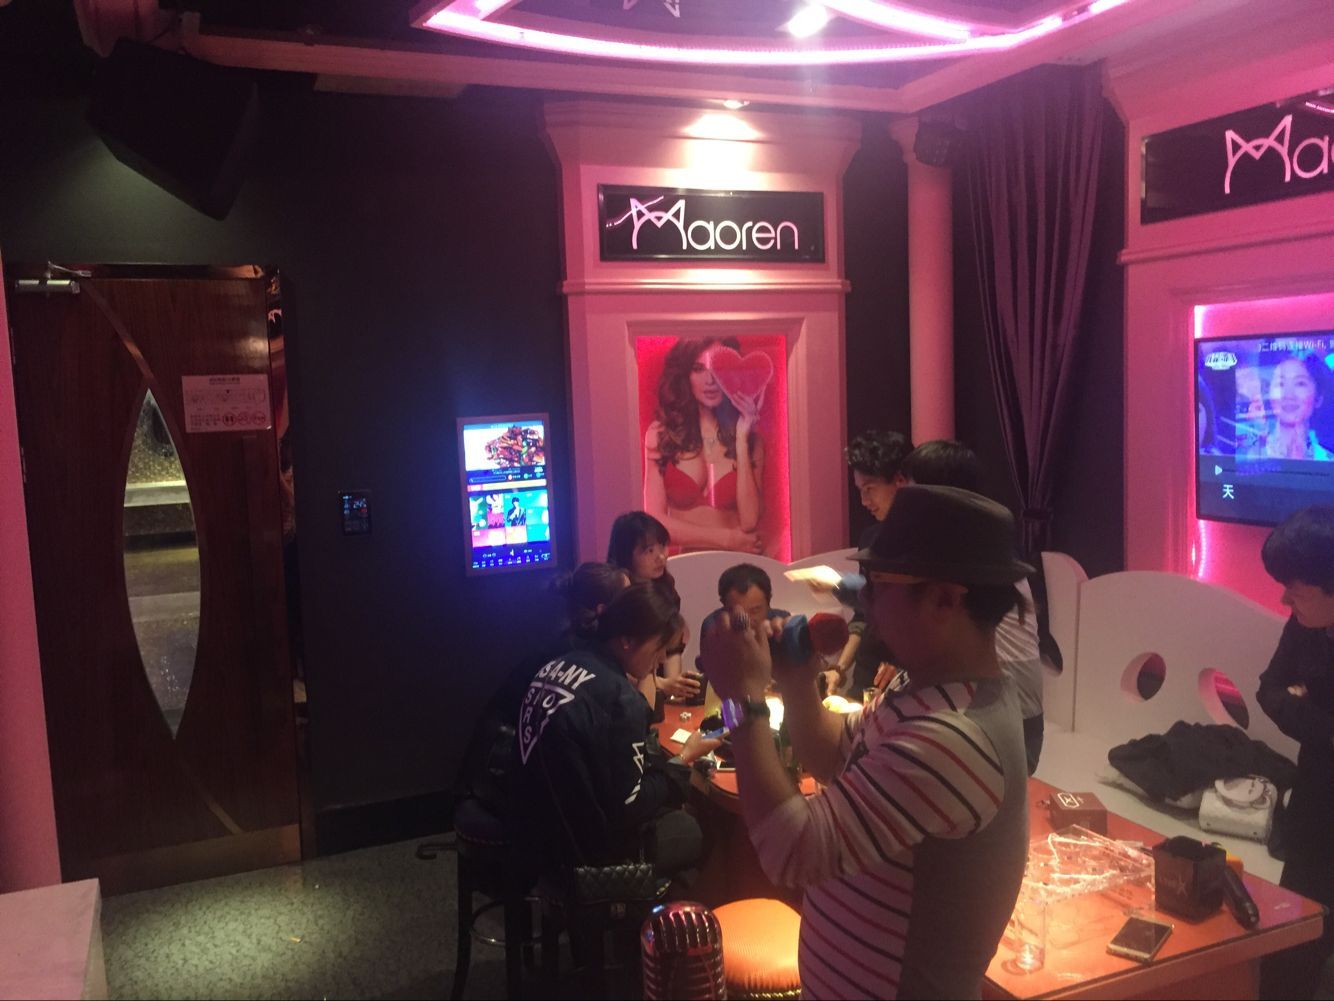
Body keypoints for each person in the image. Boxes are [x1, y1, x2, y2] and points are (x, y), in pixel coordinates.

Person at [700, 485, 1031, 1000]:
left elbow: (792, 851)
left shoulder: (954, 737)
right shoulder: (924, 690)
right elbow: (833, 754)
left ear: (945, 599)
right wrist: (796, 677)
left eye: (877, 585)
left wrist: (741, 701)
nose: (865, 603)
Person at [516, 582, 721, 881]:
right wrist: (683, 759)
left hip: (530, 828)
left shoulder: (559, 664)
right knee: (697, 829)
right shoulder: (621, 700)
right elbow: (629, 807)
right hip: (581, 855)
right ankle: (651, 909)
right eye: (660, 647)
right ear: (626, 640)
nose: (662, 659)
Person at [899, 440, 1047, 774]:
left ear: (939, 495)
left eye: (912, 489)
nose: (904, 500)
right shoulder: (983, 539)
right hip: (997, 714)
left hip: (1006, 722)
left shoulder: (968, 556)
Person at [1255, 506, 1334, 1000]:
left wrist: (1304, 709)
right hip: (1314, 799)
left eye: (1297, 591)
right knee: (1294, 931)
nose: (1285, 599)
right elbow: (1268, 689)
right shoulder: (1305, 625)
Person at [643, 337, 766, 554]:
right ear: (685, 375)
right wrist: (727, 539)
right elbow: (654, 521)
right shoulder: (661, 436)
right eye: (698, 369)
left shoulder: (750, 441)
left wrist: (740, 439)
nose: (710, 380)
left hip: (737, 567)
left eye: (718, 368)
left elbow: (749, 521)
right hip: (686, 567)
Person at [822, 430, 912, 698]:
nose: (864, 501)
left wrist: (905, 664)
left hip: (907, 680)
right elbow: (863, 616)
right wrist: (838, 669)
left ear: (900, 481)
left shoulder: (925, 543)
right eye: (860, 491)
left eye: (870, 489)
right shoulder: (870, 539)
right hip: (867, 676)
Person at [607, 511, 698, 702]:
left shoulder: (665, 588)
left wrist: (674, 685)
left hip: (653, 686)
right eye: (649, 551)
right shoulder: (615, 595)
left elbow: (672, 646)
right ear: (626, 554)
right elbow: (615, 663)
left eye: (662, 546)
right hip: (623, 692)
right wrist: (663, 684)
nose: (661, 557)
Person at [1245, 352, 1332, 461]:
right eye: (1280, 384)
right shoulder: (1246, 456)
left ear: (1318, 398)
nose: (1288, 395)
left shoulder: (1328, 461)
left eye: (1300, 384)